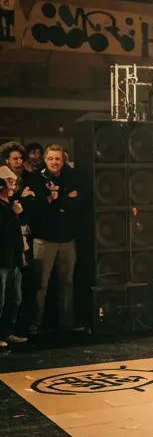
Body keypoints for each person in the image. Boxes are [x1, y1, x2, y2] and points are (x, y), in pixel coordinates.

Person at [20, 143, 79, 334]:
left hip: (67, 239)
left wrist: (58, 200)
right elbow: (34, 207)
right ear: (45, 159)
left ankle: (67, 323)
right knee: (40, 284)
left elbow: (75, 204)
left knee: (67, 283)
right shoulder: (36, 179)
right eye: (51, 158)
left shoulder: (70, 178)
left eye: (58, 159)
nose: (55, 162)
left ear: (63, 161)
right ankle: (34, 324)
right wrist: (57, 200)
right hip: (44, 240)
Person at [0, 177, 26, 348]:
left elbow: (16, 234)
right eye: (8, 185)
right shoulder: (5, 209)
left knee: (15, 297)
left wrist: (21, 255)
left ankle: (7, 332)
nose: (12, 187)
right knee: (0, 299)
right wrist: (14, 214)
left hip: (13, 259)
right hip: (1, 259)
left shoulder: (10, 205)